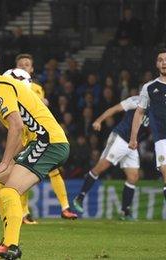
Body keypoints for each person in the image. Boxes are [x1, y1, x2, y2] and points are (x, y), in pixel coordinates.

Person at [0, 49, 69, 259]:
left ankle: (11, 246)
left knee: (8, 190)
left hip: (49, 143)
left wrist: (5, 162)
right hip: (43, 142)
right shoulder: (2, 86)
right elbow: (22, 131)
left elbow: (17, 126)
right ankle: (7, 241)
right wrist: (9, 162)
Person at [5, 54, 78, 224]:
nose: (23, 67)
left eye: (27, 64)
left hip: (39, 133)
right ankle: (23, 212)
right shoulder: (10, 87)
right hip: (24, 133)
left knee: (52, 169)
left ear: (31, 69)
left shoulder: (36, 87)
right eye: (20, 64)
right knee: (19, 171)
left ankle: (65, 207)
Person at [72, 95, 148, 220]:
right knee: (101, 167)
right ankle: (80, 197)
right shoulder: (137, 100)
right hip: (120, 138)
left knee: (133, 177)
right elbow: (115, 109)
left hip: (133, 144)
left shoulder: (157, 107)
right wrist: (99, 120)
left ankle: (125, 212)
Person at [130, 48, 166, 202]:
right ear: (156, 64)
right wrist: (133, 138)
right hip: (161, 138)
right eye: (160, 60)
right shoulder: (149, 87)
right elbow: (139, 113)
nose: (164, 63)